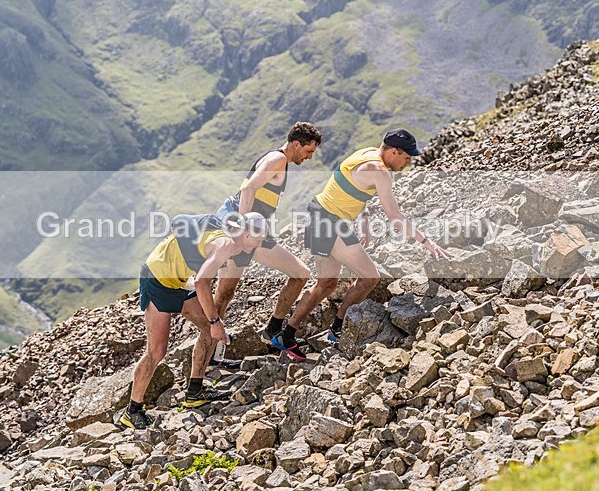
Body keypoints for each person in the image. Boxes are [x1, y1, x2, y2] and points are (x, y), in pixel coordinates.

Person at [272, 128, 453, 353]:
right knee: (369, 276)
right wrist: (427, 242)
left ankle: (285, 335)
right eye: (406, 157)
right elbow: (395, 217)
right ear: (394, 152)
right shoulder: (380, 172)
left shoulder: (367, 153)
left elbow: (352, 185)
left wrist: (364, 218)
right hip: (330, 221)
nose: (408, 163)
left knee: (326, 284)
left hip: (318, 212)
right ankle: (337, 329)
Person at [117, 212, 269, 430]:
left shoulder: (230, 238)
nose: (259, 243)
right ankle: (132, 411)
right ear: (245, 235)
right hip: (157, 278)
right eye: (258, 238)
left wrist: (213, 323)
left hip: (178, 280)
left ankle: (195, 391)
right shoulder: (225, 244)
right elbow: (201, 281)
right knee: (158, 350)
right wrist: (216, 320)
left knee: (208, 330)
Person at [213, 122, 323, 361]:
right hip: (243, 228)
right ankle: (268, 333)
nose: (309, 157)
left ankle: (216, 349)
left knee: (226, 292)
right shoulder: (277, 160)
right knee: (300, 274)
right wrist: (242, 229)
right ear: (296, 144)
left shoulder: (279, 160)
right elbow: (248, 188)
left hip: (251, 229)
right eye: (308, 151)